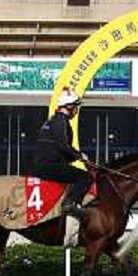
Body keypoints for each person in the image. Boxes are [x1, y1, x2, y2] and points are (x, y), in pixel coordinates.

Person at [31, 88, 96, 221]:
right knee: (85, 177)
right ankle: (70, 204)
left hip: (43, 165)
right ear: (70, 106)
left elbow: (59, 150)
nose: (76, 110)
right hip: (49, 166)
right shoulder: (61, 121)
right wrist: (80, 155)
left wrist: (77, 158)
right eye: (76, 107)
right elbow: (62, 146)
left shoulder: (53, 120)